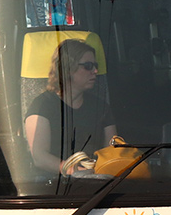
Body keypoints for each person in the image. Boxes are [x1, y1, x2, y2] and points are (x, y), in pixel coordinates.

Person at [24, 38, 117, 178]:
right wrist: (75, 172)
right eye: (88, 66)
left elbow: (112, 151)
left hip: (96, 179)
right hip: (53, 184)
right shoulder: (42, 105)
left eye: (95, 65)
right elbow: (39, 157)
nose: (95, 71)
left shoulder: (101, 107)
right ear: (68, 68)